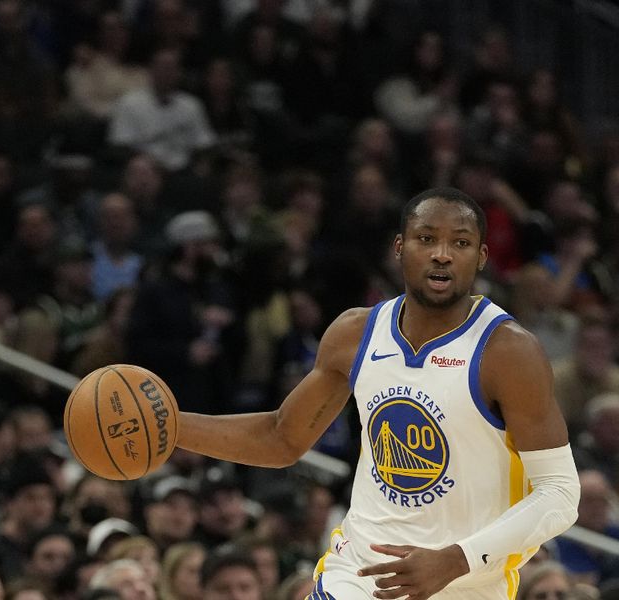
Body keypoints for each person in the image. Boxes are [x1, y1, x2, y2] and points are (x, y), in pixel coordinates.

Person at [176, 187, 581, 599]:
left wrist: (457, 558)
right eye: (427, 239)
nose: (442, 253)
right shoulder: (355, 333)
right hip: (356, 574)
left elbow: (561, 494)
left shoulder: (508, 352)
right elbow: (282, 438)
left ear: (480, 257)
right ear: (400, 248)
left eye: (460, 242)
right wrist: (169, 427)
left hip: (466, 582)